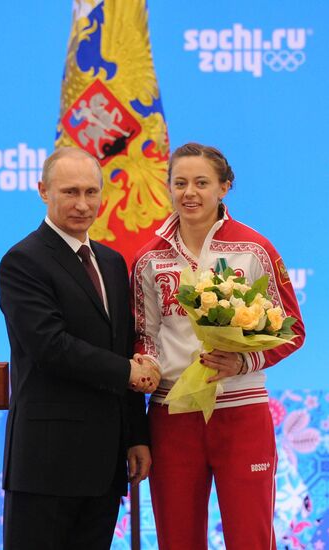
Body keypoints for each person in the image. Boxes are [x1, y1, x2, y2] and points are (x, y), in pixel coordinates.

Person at [131, 143, 305, 550]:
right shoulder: (147, 259)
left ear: (224, 187)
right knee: (178, 539)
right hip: (172, 413)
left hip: (241, 414)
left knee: (250, 537)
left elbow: (294, 330)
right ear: (168, 187)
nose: (189, 193)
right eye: (180, 183)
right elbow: (145, 334)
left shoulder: (254, 249)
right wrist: (149, 363)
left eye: (202, 183)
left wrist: (241, 363)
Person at [0, 147, 160, 550]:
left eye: (92, 192)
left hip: (104, 466)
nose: (83, 204)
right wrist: (127, 371)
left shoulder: (111, 261)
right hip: (46, 465)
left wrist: (136, 436)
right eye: (70, 192)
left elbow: (123, 346)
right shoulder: (23, 261)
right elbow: (50, 347)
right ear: (42, 191)